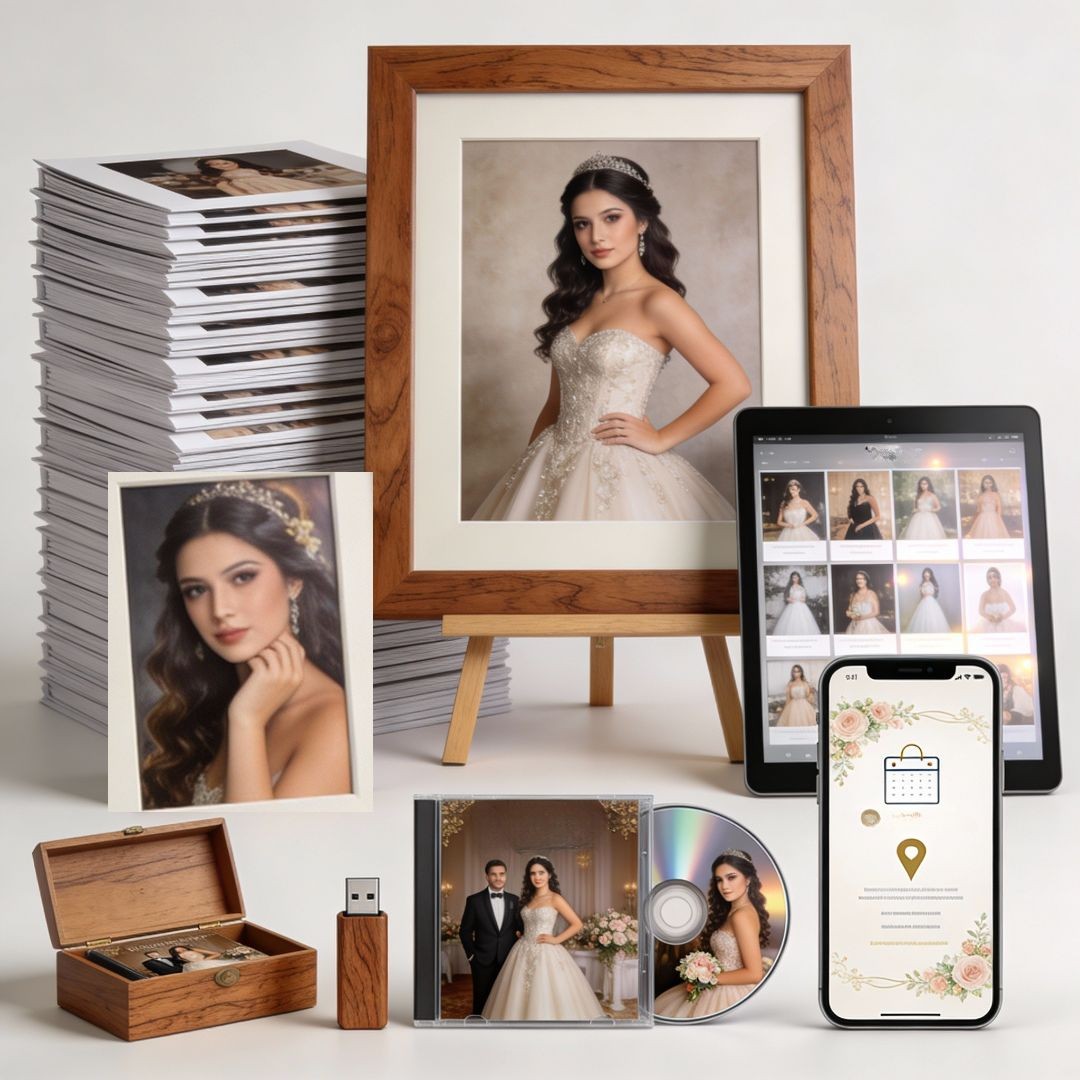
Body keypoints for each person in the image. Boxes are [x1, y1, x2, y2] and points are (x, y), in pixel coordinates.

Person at [472, 153, 751, 521]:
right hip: (549, 461)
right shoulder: (576, 302)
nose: (596, 236)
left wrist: (661, 438)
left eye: (612, 218)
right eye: (582, 224)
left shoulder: (658, 302)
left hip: (618, 473)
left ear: (642, 222)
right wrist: (528, 474)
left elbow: (733, 384)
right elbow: (554, 404)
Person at [139, 479, 350, 808]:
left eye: (242, 577)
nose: (220, 610)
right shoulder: (219, 700)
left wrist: (246, 721)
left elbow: (253, 850)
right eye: (196, 589)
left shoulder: (334, 722)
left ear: (293, 581)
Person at [481, 857, 604, 1020]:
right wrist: (520, 933)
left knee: (544, 990)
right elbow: (522, 923)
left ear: (550, 875)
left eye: (541, 873)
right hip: (522, 950)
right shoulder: (528, 899)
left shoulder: (555, 898)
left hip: (546, 952)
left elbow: (577, 924)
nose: (537, 877)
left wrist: (556, 939)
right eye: (533, 874)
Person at [653, 850, 770, 1019]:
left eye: (731, 877)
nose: (724, 886)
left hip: (728, 992)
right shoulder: (735, 911)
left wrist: (704, 977)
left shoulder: (741, 916)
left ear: (748, 879)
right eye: (719, 880)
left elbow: (754, 974)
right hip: (720, 983)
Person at [458, 859, 524, 1016]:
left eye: (501, 874)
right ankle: (478, 1033)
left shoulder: (514, 900)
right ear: (487, 877)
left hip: (509, 959)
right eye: (493, 874)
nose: (498, 878)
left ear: (506, 876)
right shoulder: (474, 900)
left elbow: (521, 928)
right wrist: (472, 956)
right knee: (481, 1000)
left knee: (506, 1000)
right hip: (481, 960)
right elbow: (464, 931)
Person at [193, 156, 327, 196]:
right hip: (248, 184)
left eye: (224, 162)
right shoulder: (223, 176)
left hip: (269, 180)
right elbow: (219, 182)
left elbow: (278, 172)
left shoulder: (254, 169)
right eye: (215, 164)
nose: (222, 165)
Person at [771, 571, 822, 636]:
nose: (795, 579)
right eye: (793, 577)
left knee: (803, 621)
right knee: (791, 622)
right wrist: (789, 599)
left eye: (796, 577)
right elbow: (786, 597)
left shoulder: (802, 588)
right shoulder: (790, 587)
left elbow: (804, 598)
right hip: (792, 606)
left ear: (798, 578)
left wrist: (802, 599)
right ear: (791, 579)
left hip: (802, 606)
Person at [905, 567, 952, 634]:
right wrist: (923, 589)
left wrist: (928, 589)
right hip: (924, 602)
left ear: (930, 576)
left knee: (933, 617)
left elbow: (933, 592)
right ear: (924, 576)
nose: (926, 577)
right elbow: (923, 593)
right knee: (923, 618)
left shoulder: (931, 584)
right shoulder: (923, 584)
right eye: (925, 576)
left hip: (931, 602)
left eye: (928, 576)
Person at [900, 476, 947, 540]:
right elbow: (914, 508)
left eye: (925, 484)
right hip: (918, 517)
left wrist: (931, 510)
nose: (923, 485)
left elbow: (938, 507)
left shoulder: (932, 495)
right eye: (921, 484)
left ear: (928, 484)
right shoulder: (917, 496)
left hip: (930, 517)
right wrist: (916, 510)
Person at [976, 566, 1021, 632]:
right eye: (990, 578)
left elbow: (1013, 608)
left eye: (994, 577)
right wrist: (989, 617)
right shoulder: (984, 595)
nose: (992, 580)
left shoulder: (1005, 593)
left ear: (998, 578)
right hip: (987, 624)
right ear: (987, 580)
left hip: (1004, 624)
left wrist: (1003, 617)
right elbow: (980, 611)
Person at [845, 569, 889, 634]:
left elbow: (876, 612)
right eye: (857, 579)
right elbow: (850, 611)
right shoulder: (853, 595)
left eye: (862, 579)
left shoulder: (871, 593)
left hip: (869, 625)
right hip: (855, 624)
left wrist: (861, 618)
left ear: (866, 580)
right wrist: (852, 615)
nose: (859, 581)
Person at [967, 474, 1010, 539]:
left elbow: (999, 508)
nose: (988, 484)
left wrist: (998, 519)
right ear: (983, 483)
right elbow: (979, 510)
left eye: (990, 483)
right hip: (982, 519)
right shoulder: (981, 496)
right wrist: (973, 519)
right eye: (986, 483)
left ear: (992, 483)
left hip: (994, 518)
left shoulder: (995, 495)